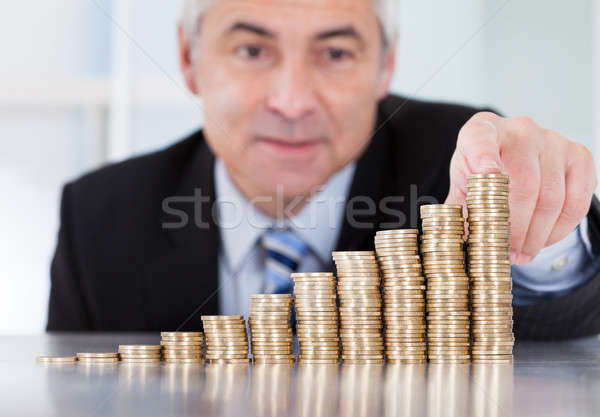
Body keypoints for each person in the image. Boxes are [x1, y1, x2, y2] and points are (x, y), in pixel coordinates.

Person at [47, 0, 600, 339]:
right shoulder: (99, 215)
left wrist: (540, 230)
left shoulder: (458, 165)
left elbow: (559, 329)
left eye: (335, 54)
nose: (291, 102)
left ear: (385, 65)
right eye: (251, 50)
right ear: (190, 61)